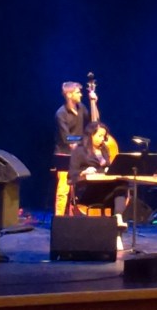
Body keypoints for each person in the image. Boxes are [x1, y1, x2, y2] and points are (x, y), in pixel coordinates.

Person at [53, 81, 98, 215]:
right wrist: (85, 141)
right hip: (65, 155)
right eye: (78, 92)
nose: (81, 95)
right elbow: (67, 139)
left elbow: (94, 122)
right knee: (63, 190)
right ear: (69, 94)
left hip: (79, 153)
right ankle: (59, 218)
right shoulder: (61, 114)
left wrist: (94, 103)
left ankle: (77, 215)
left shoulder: (81, 108)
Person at [67, 121, 126, 214]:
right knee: (118, 187)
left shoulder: (104, 149)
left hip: (104, 186)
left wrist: (108, 170)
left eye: (104, 136)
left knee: (121, 184)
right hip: (88, 190)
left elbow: (107, 167)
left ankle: (118, 216)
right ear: (91, 135)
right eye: (100, 136)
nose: (102, 139)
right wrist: (83, 172)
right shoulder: (79, 151)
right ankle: (118, 216)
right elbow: (71, 175)